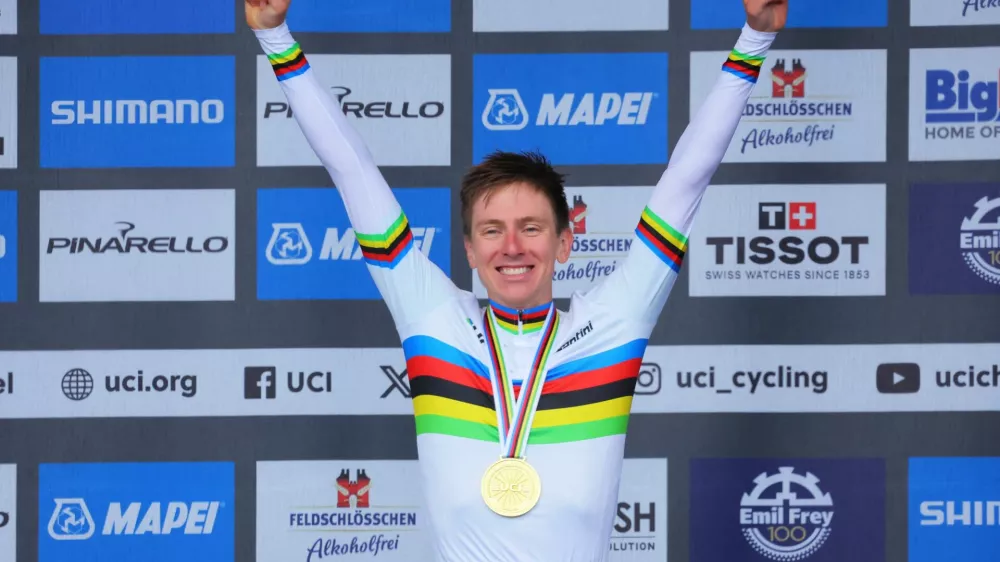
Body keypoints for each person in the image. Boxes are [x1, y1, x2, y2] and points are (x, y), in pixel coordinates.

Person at [246, 0, 786, 560]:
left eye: (531, 228)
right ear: (469, 250)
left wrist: (755, 40)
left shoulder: (614, 326)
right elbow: (351, 171)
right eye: (491, 231)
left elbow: (686, 180)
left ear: (565, 241)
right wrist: (276, 38)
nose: (511, 247)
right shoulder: (433, 320)